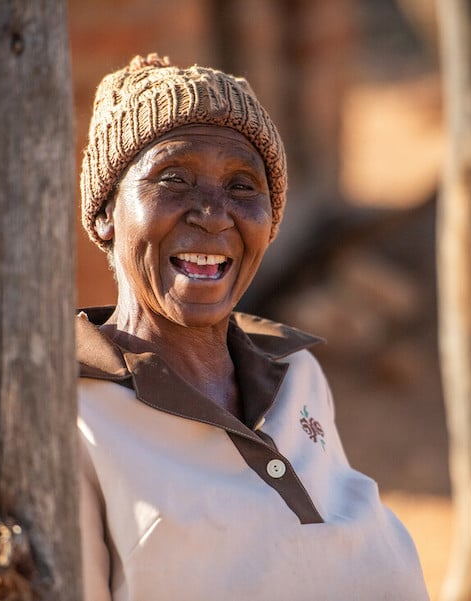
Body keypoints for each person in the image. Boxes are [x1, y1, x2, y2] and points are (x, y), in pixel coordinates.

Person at [76, 53, 428, 601]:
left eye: (243, 187)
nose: (214, 214)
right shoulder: (72, 418)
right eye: (174, 178)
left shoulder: (295, 373)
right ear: (104, 212)